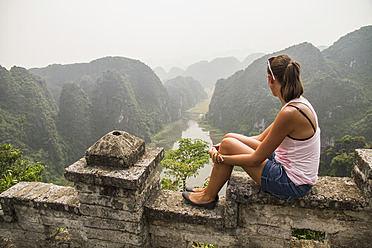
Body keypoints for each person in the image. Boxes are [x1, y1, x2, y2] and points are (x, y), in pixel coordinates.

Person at [182, 54, 321, 209]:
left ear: (271, 79)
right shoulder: (298, 103)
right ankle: (209, 190)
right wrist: (227, 145)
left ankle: (207, 197)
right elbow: (261, 139)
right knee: (228, 139)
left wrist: (221, 158)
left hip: (291, 183)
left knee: (228, 145)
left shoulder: (290, 113)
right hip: (288, 167)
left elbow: (256, 159)